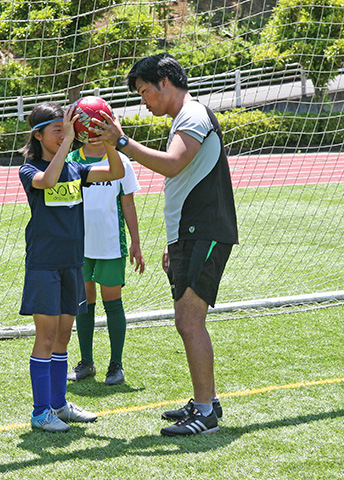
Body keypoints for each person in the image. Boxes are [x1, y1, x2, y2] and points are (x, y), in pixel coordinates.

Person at [92, 53, 238, 436]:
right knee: (186, 321)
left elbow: (173, 164)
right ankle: (207, 400)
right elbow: (182, 178)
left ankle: (205, 413)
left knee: (190, 320)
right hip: (189, 233)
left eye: (145, 91)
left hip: (204, 230)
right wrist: (173, 243)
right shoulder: (182, 118)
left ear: (165, 83)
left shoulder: (192, 114)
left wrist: (121, 141)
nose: (144, 101)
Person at [19, 102, 125, 432]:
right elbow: (48, 182)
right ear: (38, 135)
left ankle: (59, 405)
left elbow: (117, 172)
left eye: (66, 129)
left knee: (64, 336)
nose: (64, 134)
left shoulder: (77, 170)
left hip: (72, 265)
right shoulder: (29, 169)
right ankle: (40, 412)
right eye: (57, 130)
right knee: (47, 336)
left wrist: (110, 138)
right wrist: (69, 142)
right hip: (44, 266)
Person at [66, 135, 145, 385]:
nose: (93, 131)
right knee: (84, 303)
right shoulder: (70, 160)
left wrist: (136, 242)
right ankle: (86, 362)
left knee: (113, 303)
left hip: (110, 244)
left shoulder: (121, 161)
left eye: (99, 126)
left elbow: (128, 204)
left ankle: (116, 365)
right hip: (78, 245)